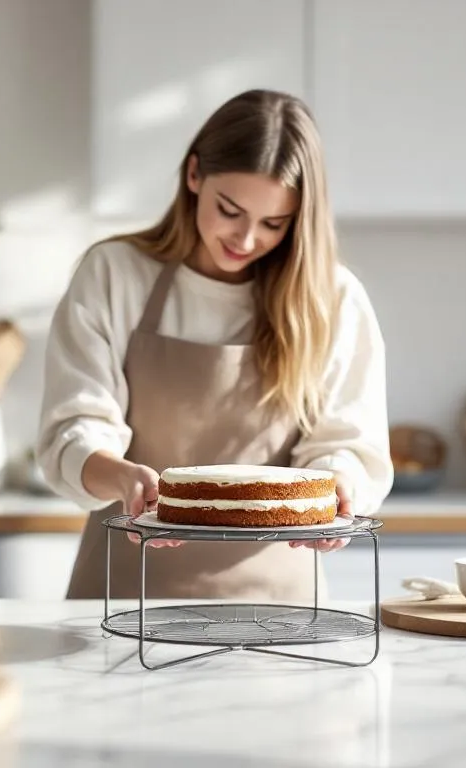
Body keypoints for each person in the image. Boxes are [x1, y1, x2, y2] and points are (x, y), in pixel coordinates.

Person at [36, 89, 393, 601]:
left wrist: (338, 486)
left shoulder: (332, 299)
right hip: (123, 600)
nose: (246, 239)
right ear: (194, 175)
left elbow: (348, 442)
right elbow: (73, 427)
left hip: (280, 609)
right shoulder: (114, 274)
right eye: (230, 210)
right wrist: (120, 478)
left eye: (273, 223)